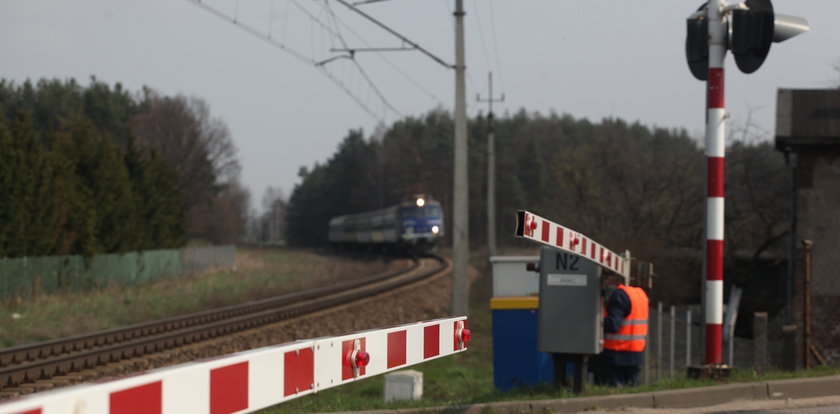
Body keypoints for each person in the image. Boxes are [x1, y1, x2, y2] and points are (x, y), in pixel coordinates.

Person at [600, 270, 649, 387]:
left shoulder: (619, 295)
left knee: (615, 393)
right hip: (636, 352)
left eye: (606, 278)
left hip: (617, 352)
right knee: (632, 391)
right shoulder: (640, 294)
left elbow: (613, 325)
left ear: (614, 278)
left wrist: (596, 322)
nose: (604, 282)